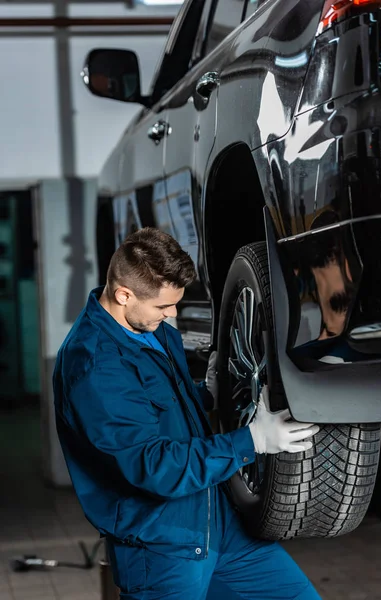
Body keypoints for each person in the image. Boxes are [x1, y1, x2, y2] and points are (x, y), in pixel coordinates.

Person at [53, 227, 321, 600]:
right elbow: (153, 466)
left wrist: (205, 396)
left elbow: (157, 408)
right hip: (161, 545)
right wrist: (251, 441)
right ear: (123, 294)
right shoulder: (95, 367)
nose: (172, 313)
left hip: (219, 524)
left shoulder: (150, 326)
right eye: (163, 306)